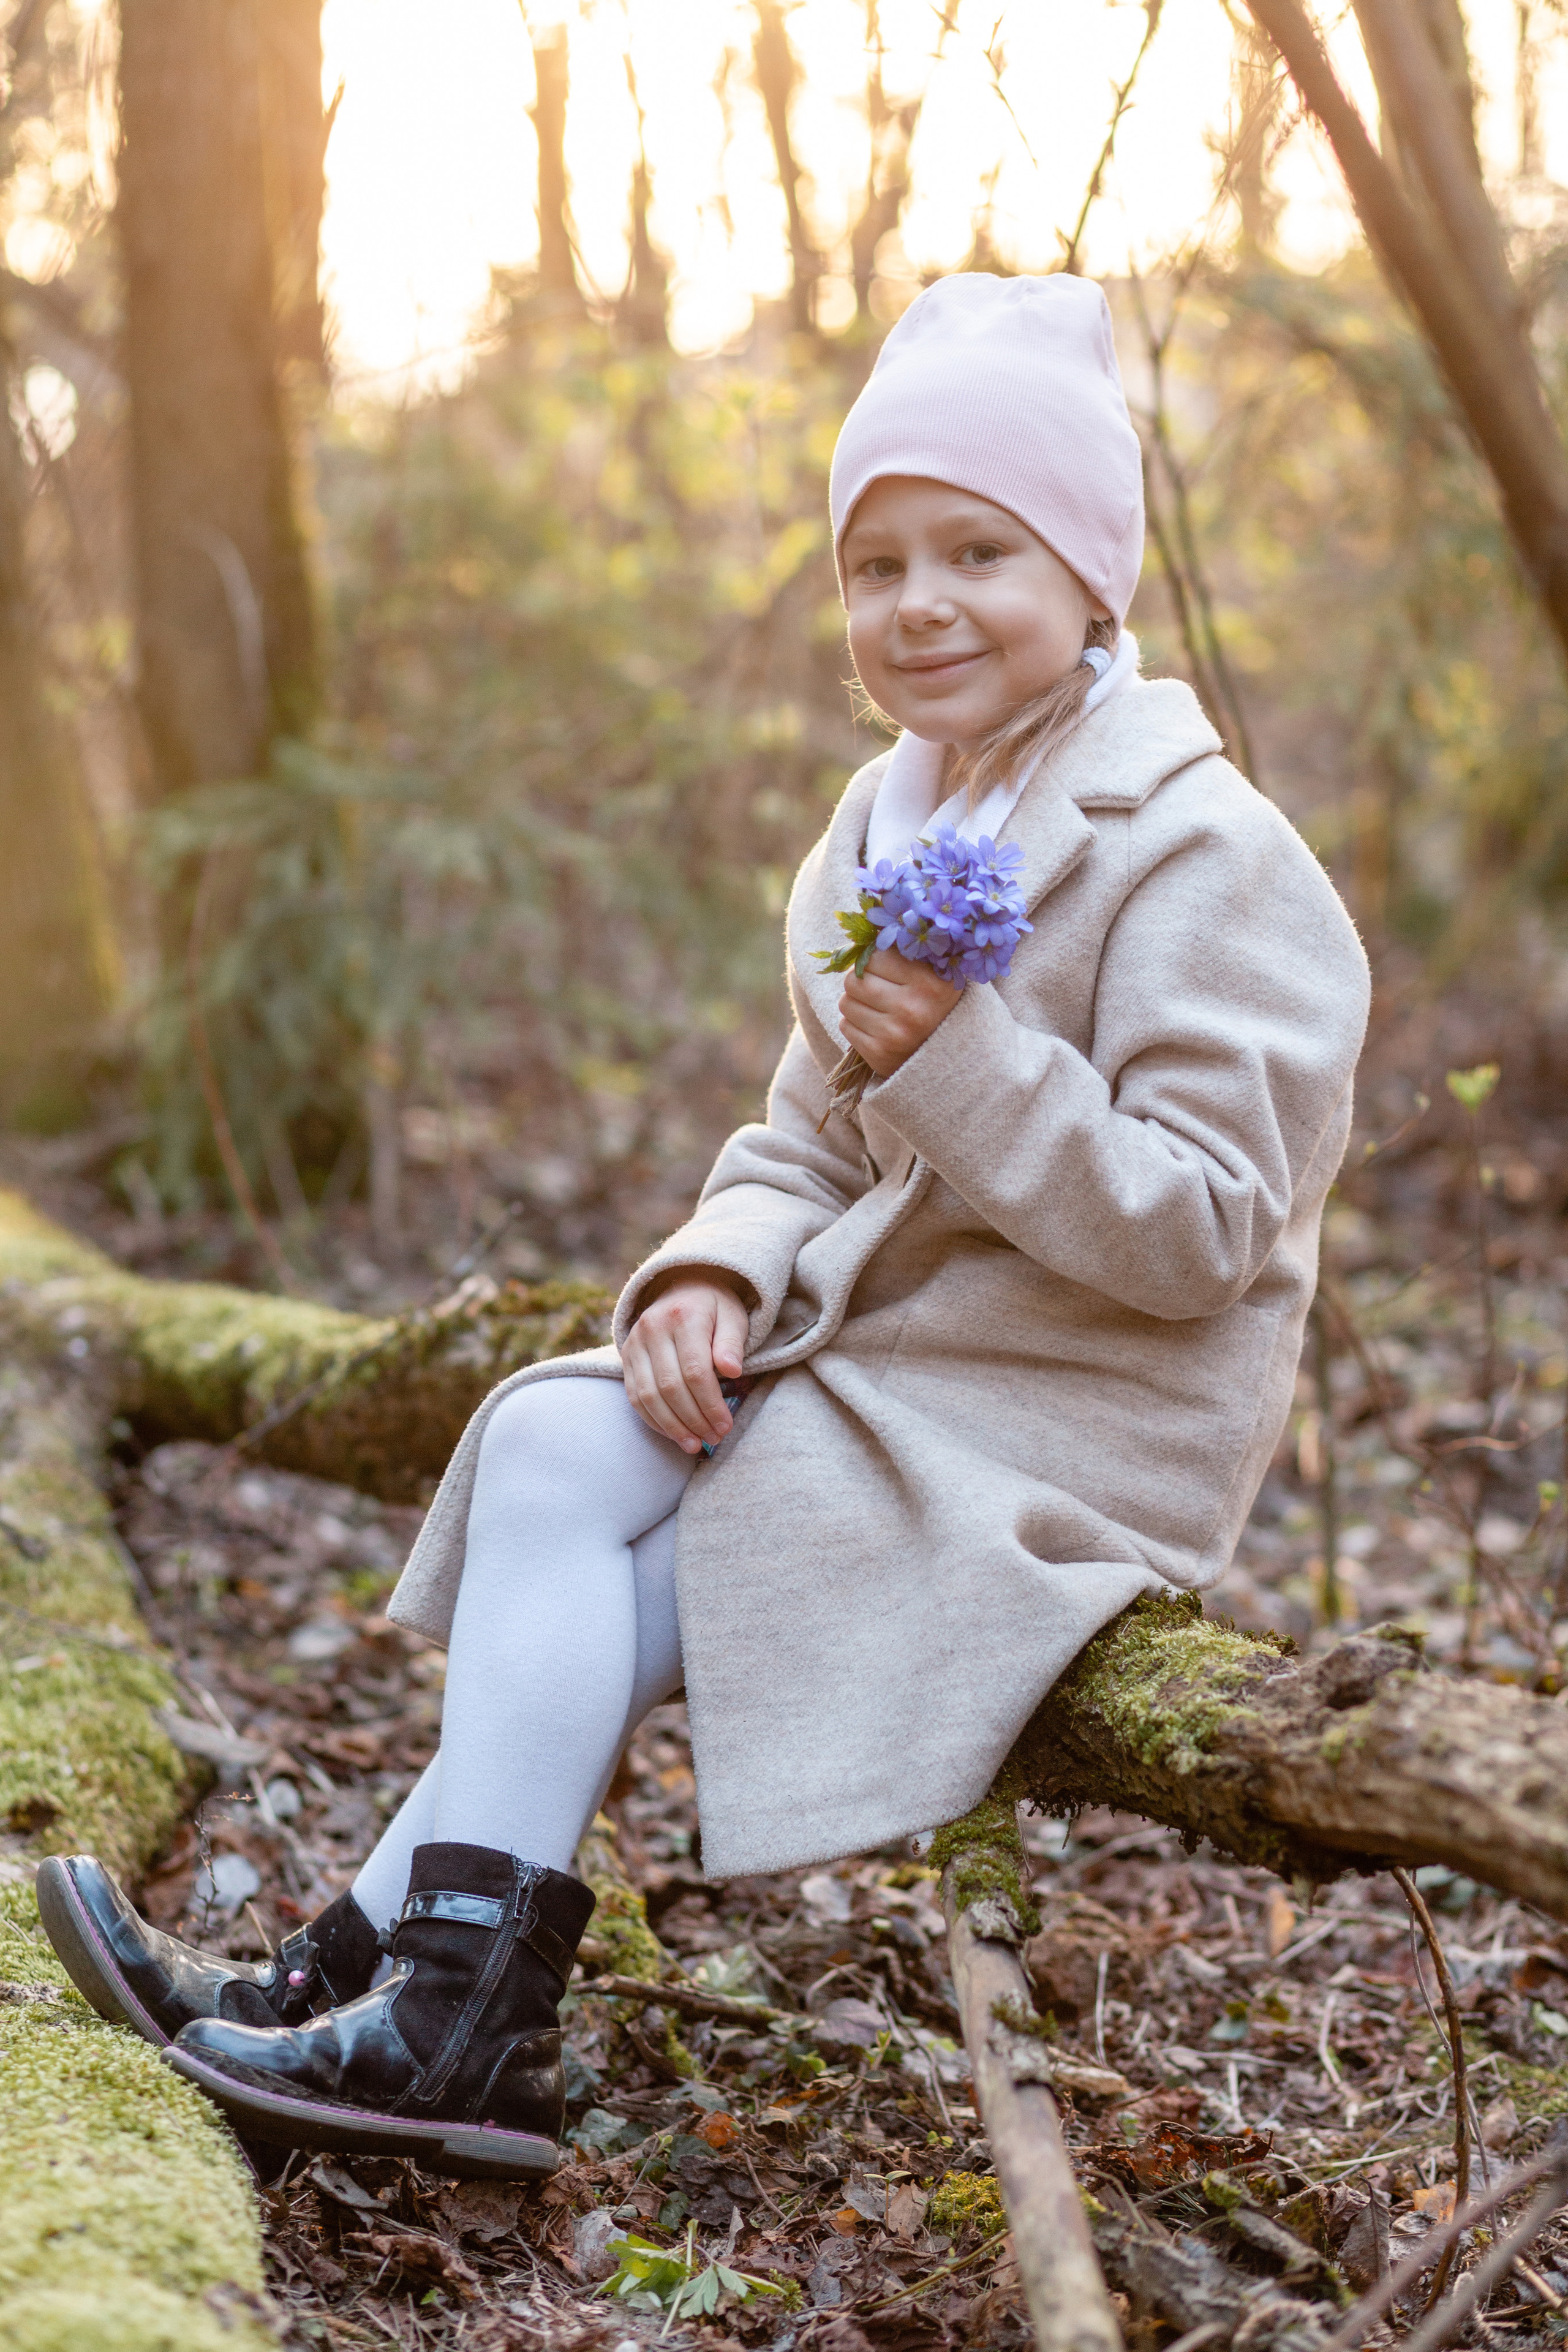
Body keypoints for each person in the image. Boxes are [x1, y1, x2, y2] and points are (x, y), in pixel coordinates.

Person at [39, 272, 1370, 2180]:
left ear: (1093, 574)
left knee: (560, 1457)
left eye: (978, 551)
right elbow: (803, 1131)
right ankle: (388, 1993)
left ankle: (414, 2001)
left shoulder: (1204, 852)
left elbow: (1206, 1230)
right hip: (890, 1375)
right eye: (877, 563)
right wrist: (719, 1267)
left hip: (1072, 1420)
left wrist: (977, 1063)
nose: (919, 604)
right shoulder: (884, 822)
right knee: (571, 1443)